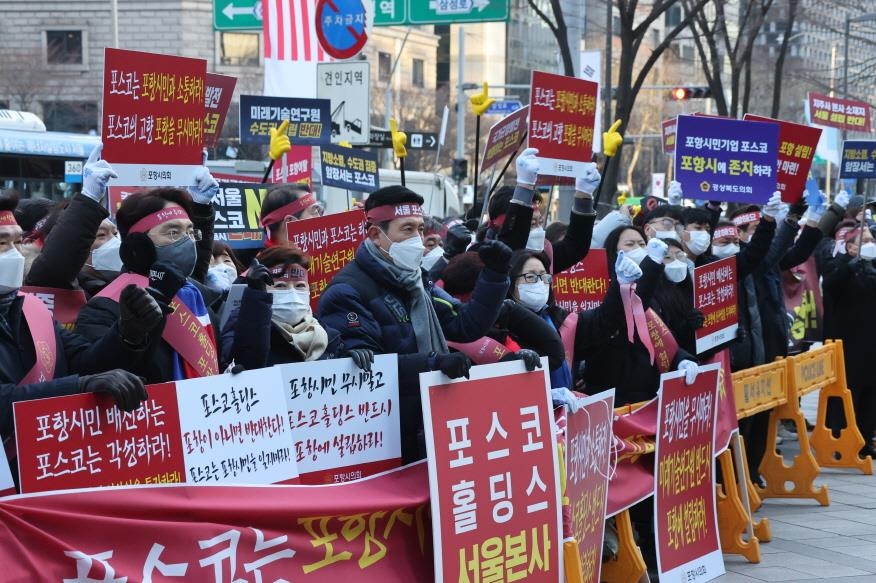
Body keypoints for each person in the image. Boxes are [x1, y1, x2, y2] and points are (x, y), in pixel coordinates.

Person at [317, 185, 513, 463]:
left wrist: (495, 275)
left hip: (432, 426)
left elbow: (464, 325)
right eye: (407, 230)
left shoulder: (417, 281)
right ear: (375, 235)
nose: (418, 240)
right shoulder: (347, 291)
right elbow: (364, 372)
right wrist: (432, 364)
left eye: (420, 229)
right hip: (384, 443)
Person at [0, 190, 155, 450]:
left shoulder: (30, 309)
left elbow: (84, 361)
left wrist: (127, 334)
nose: (15, 254)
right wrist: (77, 387)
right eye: (2, 244)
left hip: (44, 467)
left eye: (18, 242)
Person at [75, 184, 222, 383]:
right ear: (139, 247)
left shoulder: (200, 304)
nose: (187, 242)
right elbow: (103, 377)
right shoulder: (104, 308)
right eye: (173, 232)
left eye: (190, 232)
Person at [486, 147, 598, 273]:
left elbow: (576, 246)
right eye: (532, 224)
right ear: (503, 224)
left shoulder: (546, 256)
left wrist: (584, 195)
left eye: (540, 222)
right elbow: (512, 244)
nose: (538, 230)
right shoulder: (482, 259)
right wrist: (525, 185)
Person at [222, 246, 335, 369]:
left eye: (300, 285)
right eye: (280, 286)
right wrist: (256, 300)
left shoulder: (329, 336)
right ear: (262, 287)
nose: (292, 292)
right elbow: (244, 361)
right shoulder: (239, 324)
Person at [822, 222, 876, 457]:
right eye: (863, 242)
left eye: (871, 240)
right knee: (847, 393)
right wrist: (852, 266)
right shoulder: (838, 265)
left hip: (871, 343)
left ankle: (864, 442)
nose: (869, 245)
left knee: (870, 394)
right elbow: (831, 285)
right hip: (847, 344)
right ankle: (840, 441)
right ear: (851, 247)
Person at [259, 183, 324, 248]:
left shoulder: (318, 254)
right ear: (290, 222)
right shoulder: (274, 258)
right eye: (314, 211)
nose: (320, 218)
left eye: (319, 211)